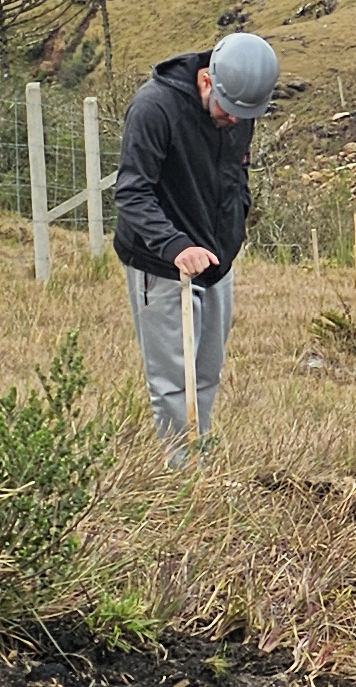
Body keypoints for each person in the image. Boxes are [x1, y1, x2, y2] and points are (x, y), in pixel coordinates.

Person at [113, 32, 278, 448]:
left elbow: (236, 172)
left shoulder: (237, 107)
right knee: (173, 382)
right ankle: (179, 478)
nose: (237, 120)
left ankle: (198, 455)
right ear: (207, 82)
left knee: (206, 374)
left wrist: (233, 227)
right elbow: (132, 192)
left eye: (247, 113)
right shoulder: (153, 108)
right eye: (230, 110)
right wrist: (175, 246)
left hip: (217, 262)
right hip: (162, 264)